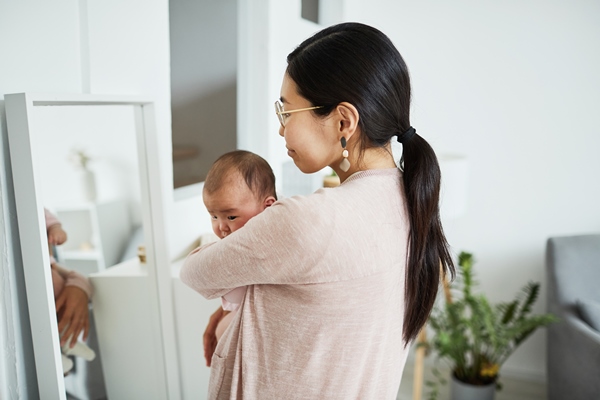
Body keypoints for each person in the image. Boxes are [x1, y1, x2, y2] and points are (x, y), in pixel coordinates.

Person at [181, 22, 454, 399]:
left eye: (287, 112)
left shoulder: (306, 220)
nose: (281, 130)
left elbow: (195, 273)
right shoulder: (408, 203)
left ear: (343, 121)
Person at [200, 150, 277, 351]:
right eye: (214, 217)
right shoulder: (233, 246)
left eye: (231, 217)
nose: (221, 227)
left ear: (267, 207)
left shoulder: (271, 246)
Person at [45, 209, 96, 374]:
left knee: (62, 318)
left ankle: (69, 344)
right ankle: (57, 358)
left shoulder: (33, 207)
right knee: (46, 323)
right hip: (45, 293)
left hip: (51, 273)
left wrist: (56, 231)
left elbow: (52, 221)